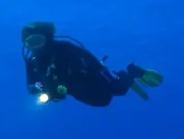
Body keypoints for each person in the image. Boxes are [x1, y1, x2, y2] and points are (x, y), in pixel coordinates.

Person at [21, 21, 163, 107]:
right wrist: (40, 89)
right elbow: (31, 84)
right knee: (104, 100)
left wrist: (99, 69)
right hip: (75, 90)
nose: (35, 47)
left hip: (90, 78)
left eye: (37, 41)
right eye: (30, 44)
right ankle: (128, 75)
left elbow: (84, 54)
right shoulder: (32, 62)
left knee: (116, 90)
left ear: (47, 38)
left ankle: (132, 72)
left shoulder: (62, 47)